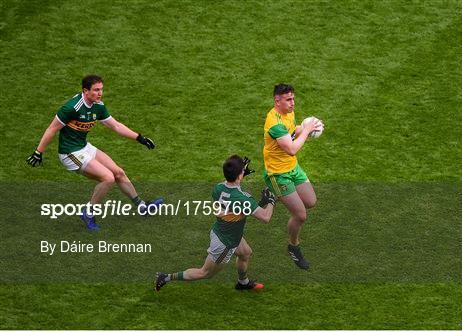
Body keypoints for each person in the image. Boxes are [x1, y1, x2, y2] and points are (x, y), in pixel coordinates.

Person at [26, 75, 163, 231]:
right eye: (96, 90)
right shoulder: (72, 107)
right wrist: (39, 152)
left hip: (83, 147)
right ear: (85, 91)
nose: (100, 93)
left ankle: (142, 207)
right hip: (70, 154)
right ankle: (88, 213)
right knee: (107, 178)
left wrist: (140, 138)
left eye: (101, 89)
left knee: (118, 172)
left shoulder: (98, 106)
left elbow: (116, 126)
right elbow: (52, 128)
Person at [155, 155, 275, 291]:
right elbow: (265, 218)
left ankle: (243, 282)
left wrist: (240, 175)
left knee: (245, 253)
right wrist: (271, 201)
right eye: (242, 171)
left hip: (224, 232)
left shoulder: (218, 188)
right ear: (239, 176)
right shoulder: (243, 198)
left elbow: (238, 205)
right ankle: (165, 277)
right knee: (205, 273)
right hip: (226, 243)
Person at [262, 83, 319, 270]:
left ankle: (270, 195)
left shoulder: (288, 113)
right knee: (300, 215)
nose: (293, 103)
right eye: (288, 100)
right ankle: (293, 247)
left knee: (310, 201)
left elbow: (293, 133)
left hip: (293, 169)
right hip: (278, 175)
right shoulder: (274, 122)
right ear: (276, 101)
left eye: (293, 98)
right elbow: (292, 149)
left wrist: (303, 129)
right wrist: (308, 130)